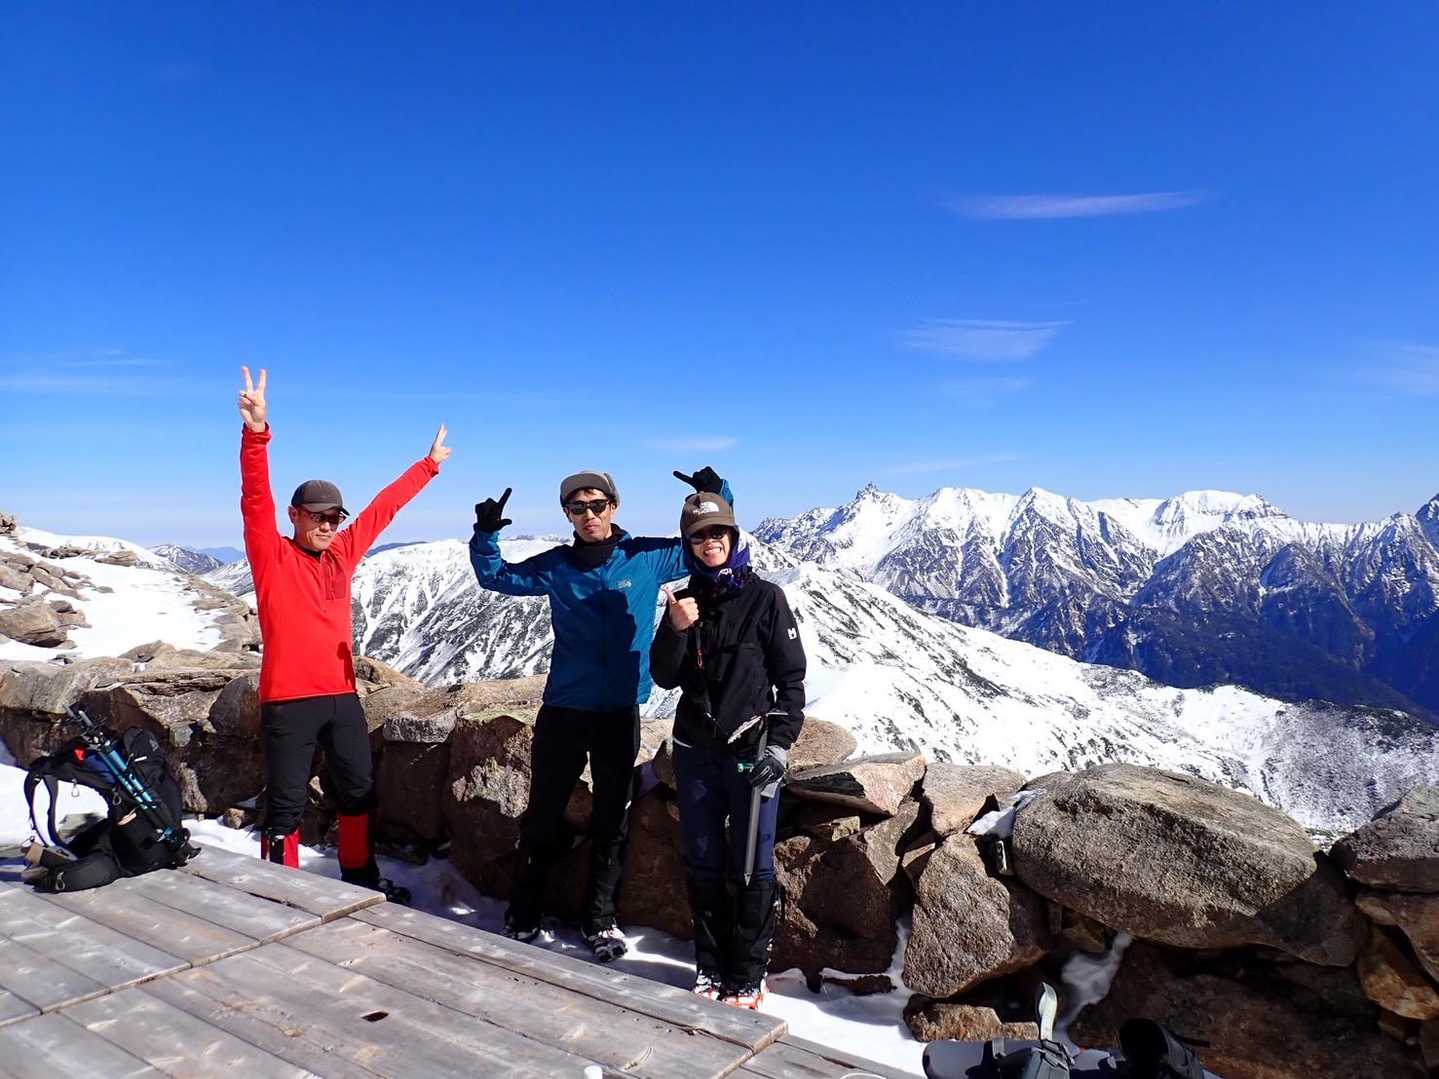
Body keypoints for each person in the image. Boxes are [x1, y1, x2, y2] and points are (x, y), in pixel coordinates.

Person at [470, 465, 732, 961]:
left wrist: (716, 495)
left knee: (613, 818)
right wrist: (486, 534)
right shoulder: (556, 566)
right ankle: (523, 913)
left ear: (614, 506)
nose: (589, 514)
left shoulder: (646, 558)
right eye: (578, 507)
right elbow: (495, 576)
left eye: (597, 505)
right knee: (544, 812)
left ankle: (600, 920)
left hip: (618, 710)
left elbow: (710, 542)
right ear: (567, 514)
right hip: (564, 709)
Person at [238, 366, 449, 898]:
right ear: (295, 516)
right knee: (285, 804)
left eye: (334, 517)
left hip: (341, 696)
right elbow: (255, 498)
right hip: (288, 700)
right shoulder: (272, 555)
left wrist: (427, 466)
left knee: (358, 791)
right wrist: (256, 432)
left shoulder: (341, 556)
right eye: (318, 516)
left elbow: (382, 510)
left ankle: (360, 881)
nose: (328, 525)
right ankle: (280, 896)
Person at [649, 490, 806, 1008]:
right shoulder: (683, 601)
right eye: (699, 536)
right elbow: (663, 674)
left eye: (718, 532)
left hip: (750, 751)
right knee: (703, 859)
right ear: (688, 544)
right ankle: (710, 968)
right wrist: (676, 630)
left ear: (733, 537)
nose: (709, 542)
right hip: (695, 750)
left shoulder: (766, 599)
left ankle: (748, 973)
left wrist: (779, 746)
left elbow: (791, 682)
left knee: (753, 862)